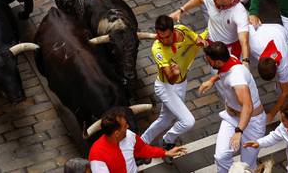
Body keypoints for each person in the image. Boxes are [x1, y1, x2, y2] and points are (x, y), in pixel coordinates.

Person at [141, 15, 206, 158]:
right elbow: (170, 80)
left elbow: (196, 38)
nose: (163, 41)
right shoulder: (157, 49)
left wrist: (200, 41)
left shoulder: (182, 29)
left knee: (165, 119)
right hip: (166, 86)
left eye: (167, 37)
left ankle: (141, 142)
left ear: (173, 31)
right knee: (188, 121)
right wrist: (175, 73)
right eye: (160, 37)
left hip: (181, 84)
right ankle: (167, 140)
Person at [199, 42, 266, 172]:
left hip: (252, 122)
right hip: (231, 117)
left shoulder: (237, 78)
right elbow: (224, 72)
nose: (206, 61)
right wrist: (212, 80)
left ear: (218, 62)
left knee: (246, 166)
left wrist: (239, 131)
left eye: (208, 60)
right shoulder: (230, 58)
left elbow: (247, 107)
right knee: (221, 157)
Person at [170, 0, 250, 67]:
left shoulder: (239, 13)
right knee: (214, 72)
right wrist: (181, 10)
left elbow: (244, 41)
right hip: (211, 47)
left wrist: (245, 61)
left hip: (229, 51)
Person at [89, 107, 186, 172]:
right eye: (125, 125)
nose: (128, 126)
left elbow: (142, 149)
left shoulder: (129, 135)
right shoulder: (97, 156)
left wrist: (165, 153)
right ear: (116, 133)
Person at [248, 23, 288, 123]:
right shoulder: (254, 45)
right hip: (265, 31)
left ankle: (280, 84)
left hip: (281, 32)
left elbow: (285, 93)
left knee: (284, 86)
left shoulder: (284, 64)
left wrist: (271, 114)